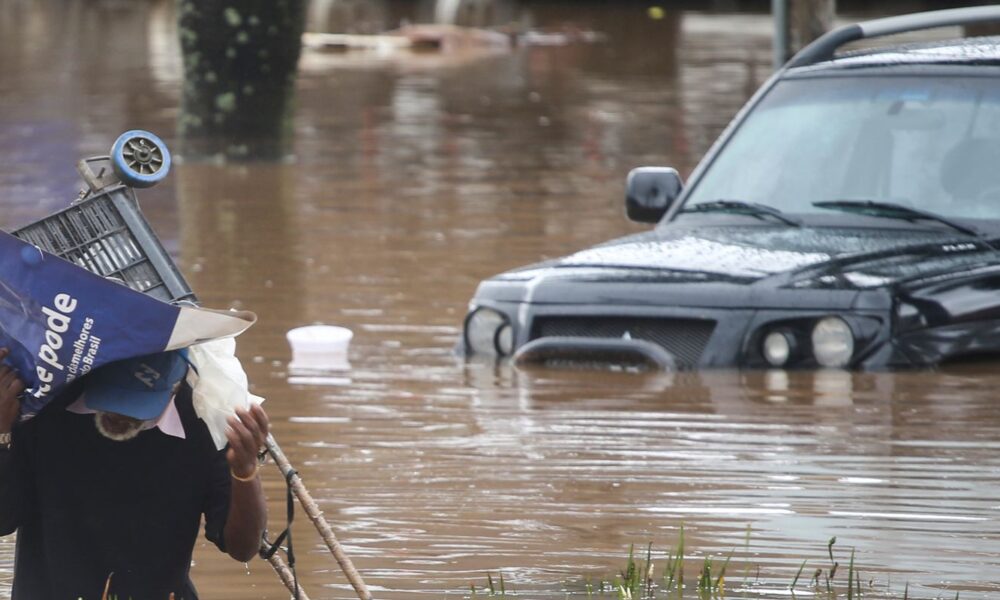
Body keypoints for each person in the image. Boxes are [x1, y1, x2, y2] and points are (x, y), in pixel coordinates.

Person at [0, 346, 270, 599]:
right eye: (113, 397)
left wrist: (245, 473)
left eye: (137, 403)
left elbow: (243, 548)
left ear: (175, 388)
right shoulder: (44, 406)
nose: (120, 414)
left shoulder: (205, 422)